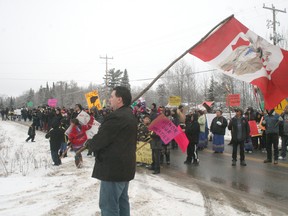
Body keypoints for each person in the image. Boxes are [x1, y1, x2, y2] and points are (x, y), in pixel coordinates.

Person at [86, 86, 138, 216]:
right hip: (125, 168)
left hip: (113, 170)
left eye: (112, 97)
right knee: (122, 202)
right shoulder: (130, 115)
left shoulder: (116, 117)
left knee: (109, 206)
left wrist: (89, 144)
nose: (109, 99)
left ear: (119, 99)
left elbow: (101, 140)